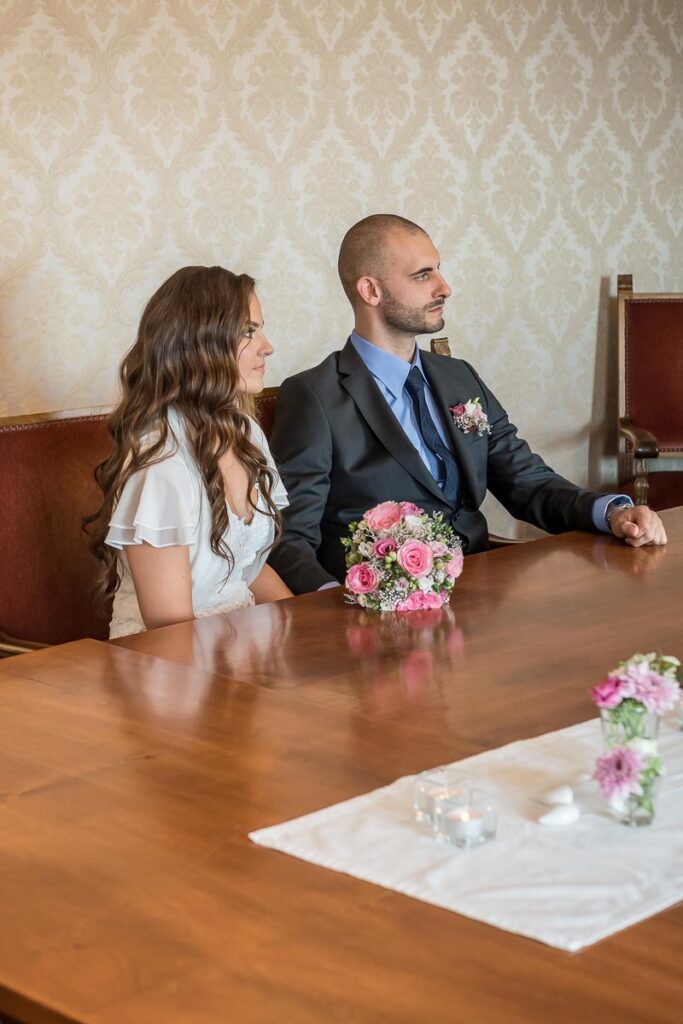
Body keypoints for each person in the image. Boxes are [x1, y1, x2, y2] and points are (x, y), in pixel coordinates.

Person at [267, 214, 666, 594]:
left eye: (438, 270)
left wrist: (612, 513)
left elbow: (527, 482)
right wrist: (334, 607)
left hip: (483, 594)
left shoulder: (459, 377)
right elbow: (292, 538)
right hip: (379, 619)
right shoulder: (314, 396)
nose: (445, 287)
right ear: (370, 290)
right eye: (423, 275)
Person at [86, 265, 292, 638]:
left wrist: (303, 626)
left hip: (239, 647)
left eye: (260, 329)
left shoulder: (245, 434)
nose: (267, 346)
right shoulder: (161, 466)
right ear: (200, 344)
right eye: (249, 331)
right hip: (167, 664)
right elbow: (169, 627)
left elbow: (247, 568)